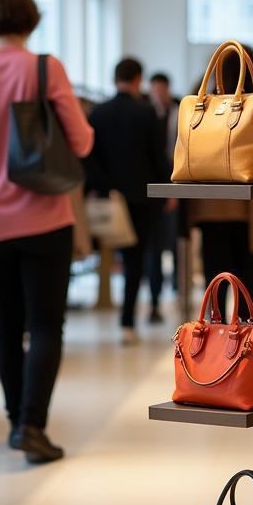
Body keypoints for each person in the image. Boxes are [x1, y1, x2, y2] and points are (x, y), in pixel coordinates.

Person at [0, 0, 94, 464]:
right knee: (46, 324)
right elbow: (82, 141)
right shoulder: (44, 68)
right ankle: (32, 425)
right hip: (46, 217)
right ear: (30, 20)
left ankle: (16, 422)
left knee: (6, 327)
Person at [188, 45, 253, 312]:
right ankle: (245, 346)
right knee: (249, 286)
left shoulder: (203, 109)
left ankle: (213, 347)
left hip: (211, 208)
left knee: (214, 286)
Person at [86, 58, 169, 343]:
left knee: (112, 255)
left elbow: (89, 156)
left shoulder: (98, 113)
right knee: (136, 259)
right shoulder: (146, 113)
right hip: (142, 198)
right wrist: (166, 189)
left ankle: (113, 307)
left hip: (110, 198)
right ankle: (127, 321)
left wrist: (104, 187)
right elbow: (158, 157)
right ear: (137, 79)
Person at [145, 71, 178, 321]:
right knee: (154, 247)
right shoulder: (144, 113)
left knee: (176, 242)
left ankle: (178, 287)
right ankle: (155, 298)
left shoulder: (180, 111)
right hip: (153, 189)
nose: (157, 93)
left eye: (161, 89)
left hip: (177, 182)